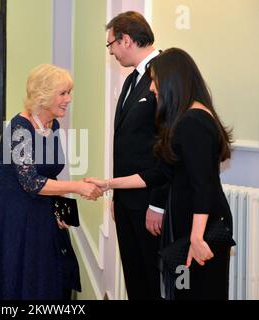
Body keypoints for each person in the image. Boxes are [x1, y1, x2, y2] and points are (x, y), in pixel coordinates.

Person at [86, 48, 234, 300]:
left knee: (194, 292)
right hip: (188, 228)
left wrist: (196, 239)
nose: (152, 87)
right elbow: (157, 173)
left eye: (155, 80)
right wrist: (108, 183)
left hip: (198, 230)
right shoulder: (187, 118)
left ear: (172, 80)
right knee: (183, 291)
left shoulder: (193, 121)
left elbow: (203, 186)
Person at [0, 64, 103, 300]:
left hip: (40, 213)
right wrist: (78, 187)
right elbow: (31, 181)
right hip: (9, 217)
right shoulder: (20, 128)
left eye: (69, 92)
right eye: (63, 93)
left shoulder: (53, 125)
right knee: (13, 282)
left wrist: (58, 208)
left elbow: (49, 173)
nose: (68, 99)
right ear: (43, 95)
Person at [105, 11, 167, 299]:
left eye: (112, 45)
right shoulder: (132, 80)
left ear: (126, 40)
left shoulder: (165, 73)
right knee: (135, 278)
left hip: (149, 202)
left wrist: (158, 204)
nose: (112, 52)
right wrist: (117, 198)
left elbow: (169, 145)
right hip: (127, 201)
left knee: (152, 281)